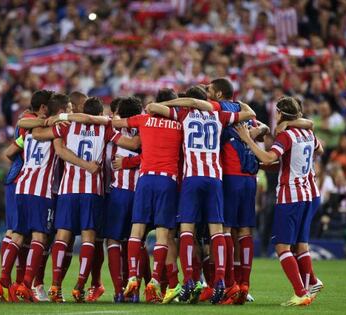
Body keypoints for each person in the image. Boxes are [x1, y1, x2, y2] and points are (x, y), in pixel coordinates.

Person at [147, 86, 256, 304]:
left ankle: (188, 281)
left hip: (191, 178)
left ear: (186, 100)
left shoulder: (183, 113)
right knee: (217, 232)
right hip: (215, 178)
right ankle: (220, 283)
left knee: (187, 230)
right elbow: (250, 114)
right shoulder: (220, 114)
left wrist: (173, 103)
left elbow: (151, 107)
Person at [31, 96, 140, 303]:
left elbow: (38, 136)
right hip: (93, 190)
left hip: (67, 189)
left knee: (62, 235)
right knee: (89, 237)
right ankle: (80, 285)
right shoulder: (105, 129)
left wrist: (49, 119)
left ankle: (55, 285)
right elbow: (133, 143)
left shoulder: (67, 126)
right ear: (99, 114)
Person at [112, 89, 212, 303]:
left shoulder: (144, 119)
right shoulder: (180, 124)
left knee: (136, 230)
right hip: (169, 181)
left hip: (145, 179)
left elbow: (117, 125)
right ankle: (156, 281)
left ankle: (132, 277)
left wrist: (113, 118)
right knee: (163, 234)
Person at [236, 96, 323, 306]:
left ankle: (301, 292)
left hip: (291, 195)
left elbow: (268, 158)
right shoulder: (308, 132)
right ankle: (311, 281)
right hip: (310, 193)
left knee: (282, 247)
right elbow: (319, 150)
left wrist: (248, 140)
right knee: (301, 245)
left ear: (281, 113)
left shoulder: (286, 135)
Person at [0, 93, 69, 303]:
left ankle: (2, 281)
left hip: (22, 186)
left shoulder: (27, 131)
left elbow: (11, 149)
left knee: (17, 234)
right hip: (41, 191)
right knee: (39, 237)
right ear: (60, 112)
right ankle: (26, 284)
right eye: (68, 109)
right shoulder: (59, 130)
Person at [206, 78, 269, 304]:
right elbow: (265, 128)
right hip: (249, 179)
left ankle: (231, 284)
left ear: (220, 94)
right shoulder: (242, 110)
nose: (207, 94)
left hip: (231, 177)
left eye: (210, 90)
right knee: (244, 232)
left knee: (225, 230)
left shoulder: (217, 111)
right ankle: (244, 285)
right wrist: (255, 131)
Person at [104, 97, 143, 303]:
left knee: (113, 240)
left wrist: (126, 162)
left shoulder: (112, 130)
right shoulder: (147, 128)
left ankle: (120, 290)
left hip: (119, 192)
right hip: (140, 194)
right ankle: (134, 291)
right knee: (135, 240)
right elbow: (146, 153)